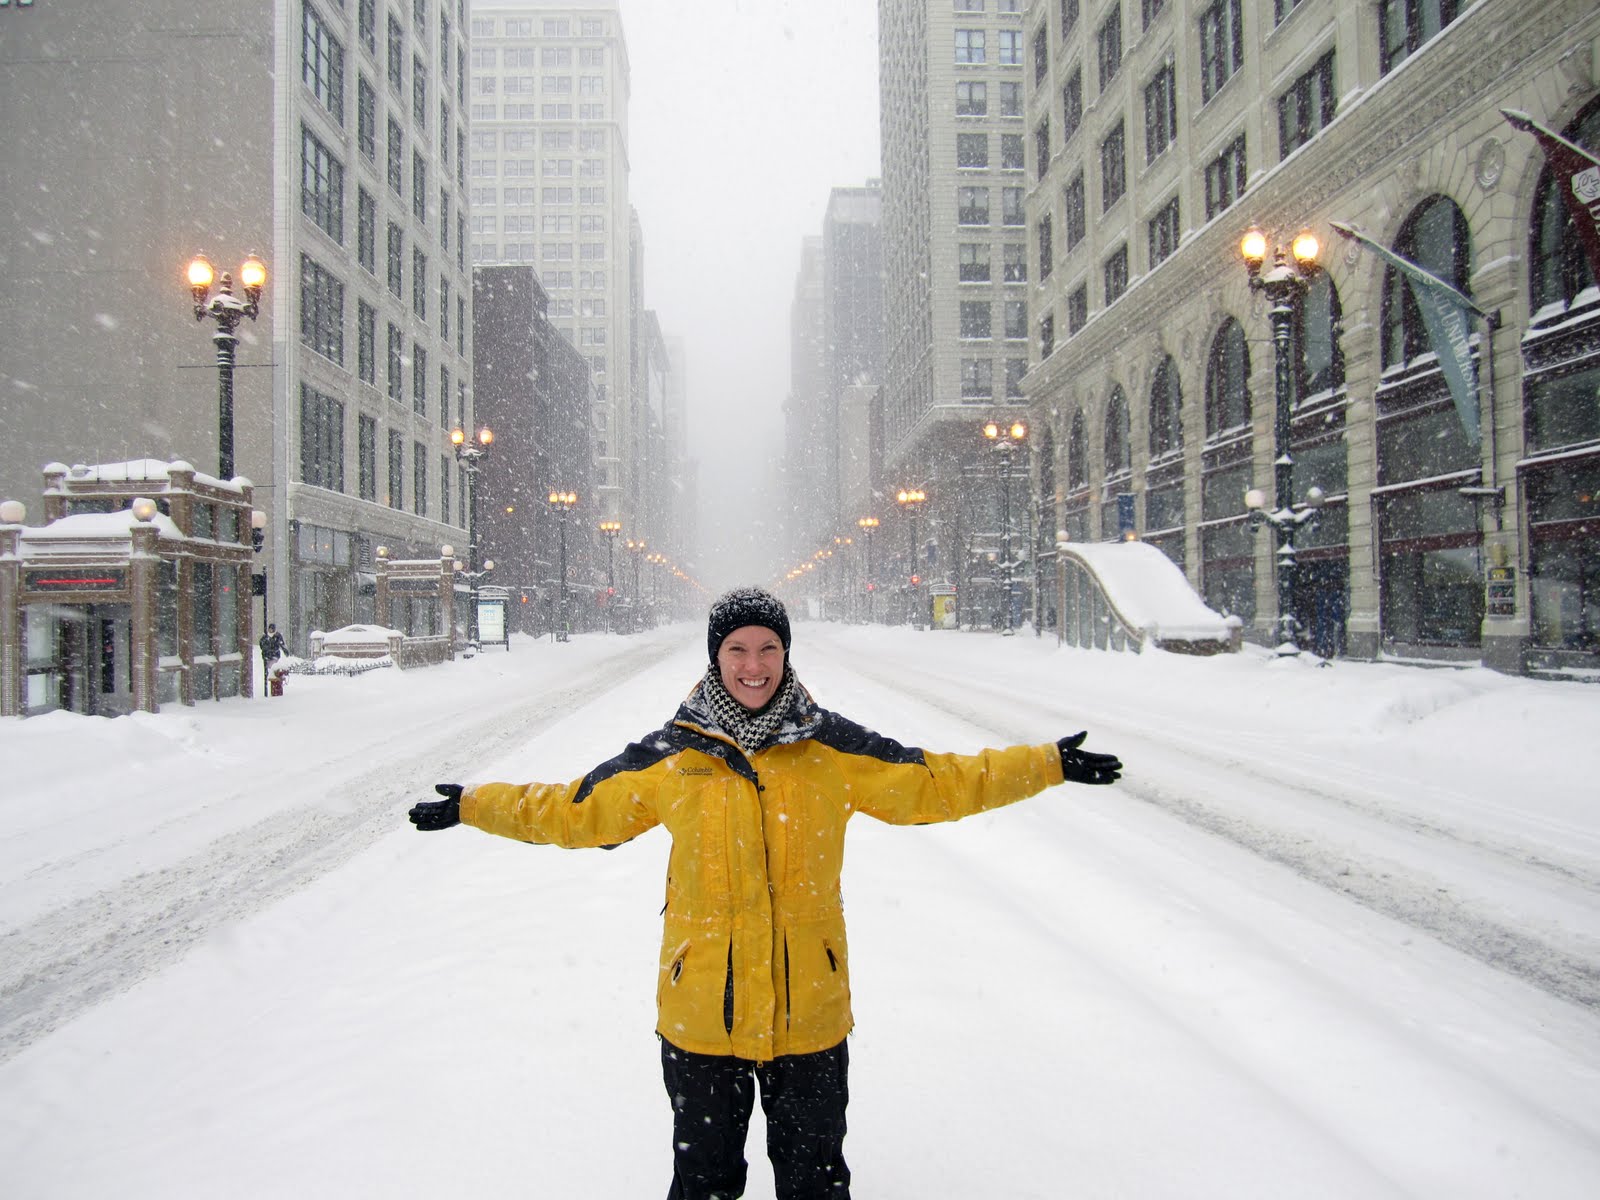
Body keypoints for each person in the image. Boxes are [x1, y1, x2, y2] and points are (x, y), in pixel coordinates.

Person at [408, 586, 1121, 1199]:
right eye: (738, 651)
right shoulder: (674, 754)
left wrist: (1046, 763)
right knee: (705, 1183)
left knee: (813, 1179)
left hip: (807, 1012)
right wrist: (475, 805)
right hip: (701, 1016)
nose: (753, 666)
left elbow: (936, 782)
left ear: (786, 656)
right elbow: (571, 810)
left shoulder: (830, 748)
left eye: (767, 650)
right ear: (715, 658)